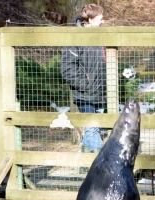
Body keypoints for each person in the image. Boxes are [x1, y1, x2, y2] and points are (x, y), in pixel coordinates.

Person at [61, 4, 107, 153]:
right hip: (85, 93)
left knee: (92, 130)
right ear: (91, 19)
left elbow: (104, 63)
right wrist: (85, 85)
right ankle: (101, 165)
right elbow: (67, 68)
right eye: (100, 18)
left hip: (100, 92)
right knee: (92, 129)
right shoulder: (74, 38)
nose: (103, 22)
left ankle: (85, 164)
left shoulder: (101, 36)